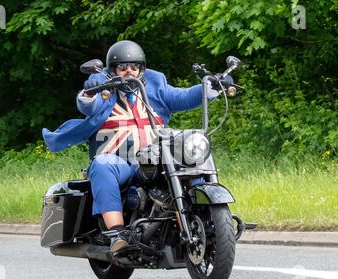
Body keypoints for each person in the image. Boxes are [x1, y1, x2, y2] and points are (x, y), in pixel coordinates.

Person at [42, 40, 230, 253]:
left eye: (134, 66)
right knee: (101, 165)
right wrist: (88, 93)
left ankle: (203, 222)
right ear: (113, 69)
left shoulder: (155, 85)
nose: (129, 71)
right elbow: (88, 105)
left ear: (142, 69)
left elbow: (183, 96)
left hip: (153, 159)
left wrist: (211, 87)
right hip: (118, 162)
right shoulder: (103, 87)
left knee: (188, 157)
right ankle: (117, 235)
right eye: (122, 67)